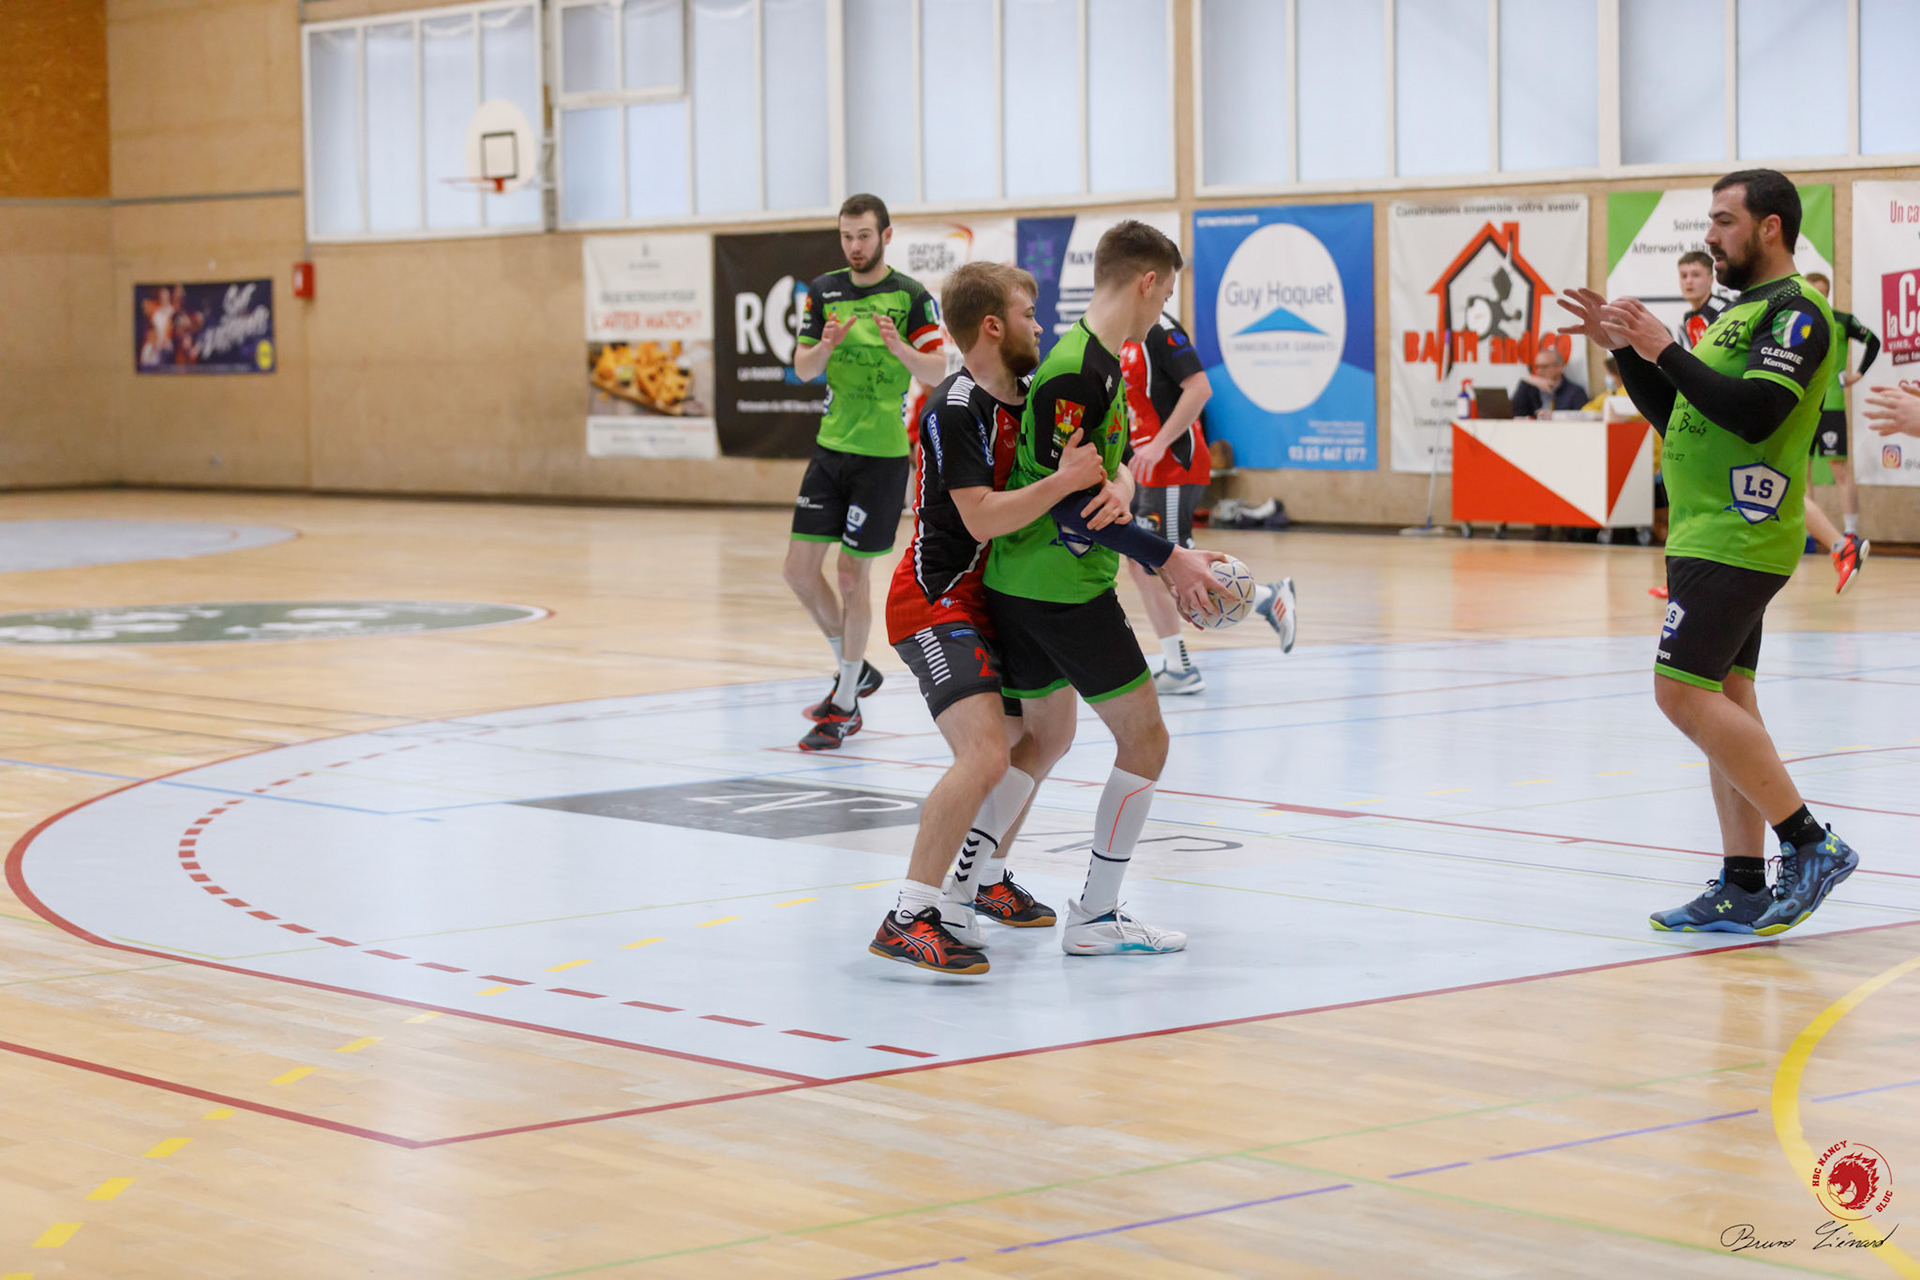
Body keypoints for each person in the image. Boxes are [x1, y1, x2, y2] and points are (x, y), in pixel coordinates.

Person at [870, 262, 1229, 974]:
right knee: (985, 755)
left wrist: (1114, 481)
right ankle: (910, 913)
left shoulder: (1038, 389)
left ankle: (981, 878)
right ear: (992, 326)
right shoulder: (953, 407)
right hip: (937, 599)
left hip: (995, 594)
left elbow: (1102, 463)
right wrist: (1067, 483)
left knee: (1048, 736)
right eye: (1028, 314)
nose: (1040, 327)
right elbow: (979, 518)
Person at [1559, 168, 1860, 938]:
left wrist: (1664, 347)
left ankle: (1811, 844)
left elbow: (1757, 414)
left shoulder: (1796, 313)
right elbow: (1682, 414)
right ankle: (1744, 884)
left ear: (1770, 227)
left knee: (1679, 692)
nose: (1710, 236)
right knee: (1725, 697)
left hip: (1741, 530)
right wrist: (1629, 353)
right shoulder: (1735, 315)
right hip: (1704, 530)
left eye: (1724, 220)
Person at [984, 220, 1201, 956]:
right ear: (1147, 282)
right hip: (1060, 587)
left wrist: (1124, 484)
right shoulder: (1079, 370)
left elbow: (1099, 478)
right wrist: (1171, 559)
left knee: (1047, 737)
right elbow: (1069, 505)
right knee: (1146, 739)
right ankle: (1097, 915)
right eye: (1165, 295)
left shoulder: (1096, 361)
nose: (1163, 309)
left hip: (1032, 579)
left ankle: (964, 883)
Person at [786, 194, 950, 752]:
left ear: (886, 235)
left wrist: (899, 346)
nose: (854, 246)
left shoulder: (911, 296)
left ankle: (846, 703)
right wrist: (825, 347)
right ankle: (853, 669)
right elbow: (803, 367)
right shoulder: (824, 291)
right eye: (847, 236)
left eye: (863, 235)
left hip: (881, 458)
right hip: (830, 451)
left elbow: (937, 368)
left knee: (852, 577)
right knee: (799, 573)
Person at [1121, 313, 1296, 695]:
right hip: (1146, 468)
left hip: (1173, 466)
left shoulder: (1161, 328)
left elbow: (1199, 389)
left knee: (1165, 565)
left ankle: (1181, 665)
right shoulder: (1125, 332)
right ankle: (1266, 600)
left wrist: (1159, 444)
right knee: (1141, 562)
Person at [1799, 272, 1877, 593]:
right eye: (1812, 291)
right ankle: (1806, 536)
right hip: (1804, 406)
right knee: (1801, 470)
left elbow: (1873, 340)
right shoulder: (1799, 320)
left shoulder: (1842, 320)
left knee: (1838, 468)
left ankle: (1850, 533)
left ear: (1828, 292)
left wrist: (1857, 374)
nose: (1817, 296)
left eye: (1822, 291)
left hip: (1830, 405)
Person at [1509, 342, 1588, 419]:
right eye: (1537, 367)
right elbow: (1513, 414)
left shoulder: (1575, 392)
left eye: (1544, 366)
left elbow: (1582, 418)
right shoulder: (1531, 389)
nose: (1539, 371)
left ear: (1559, 367)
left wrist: (1555, 416)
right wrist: (1526, 380)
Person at [1675, 249, 1728, 349]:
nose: (1688, 281)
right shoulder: (1688, 317)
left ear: (1710, 280)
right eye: (1684, 276)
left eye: (1696, 275)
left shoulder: (1722, 309)